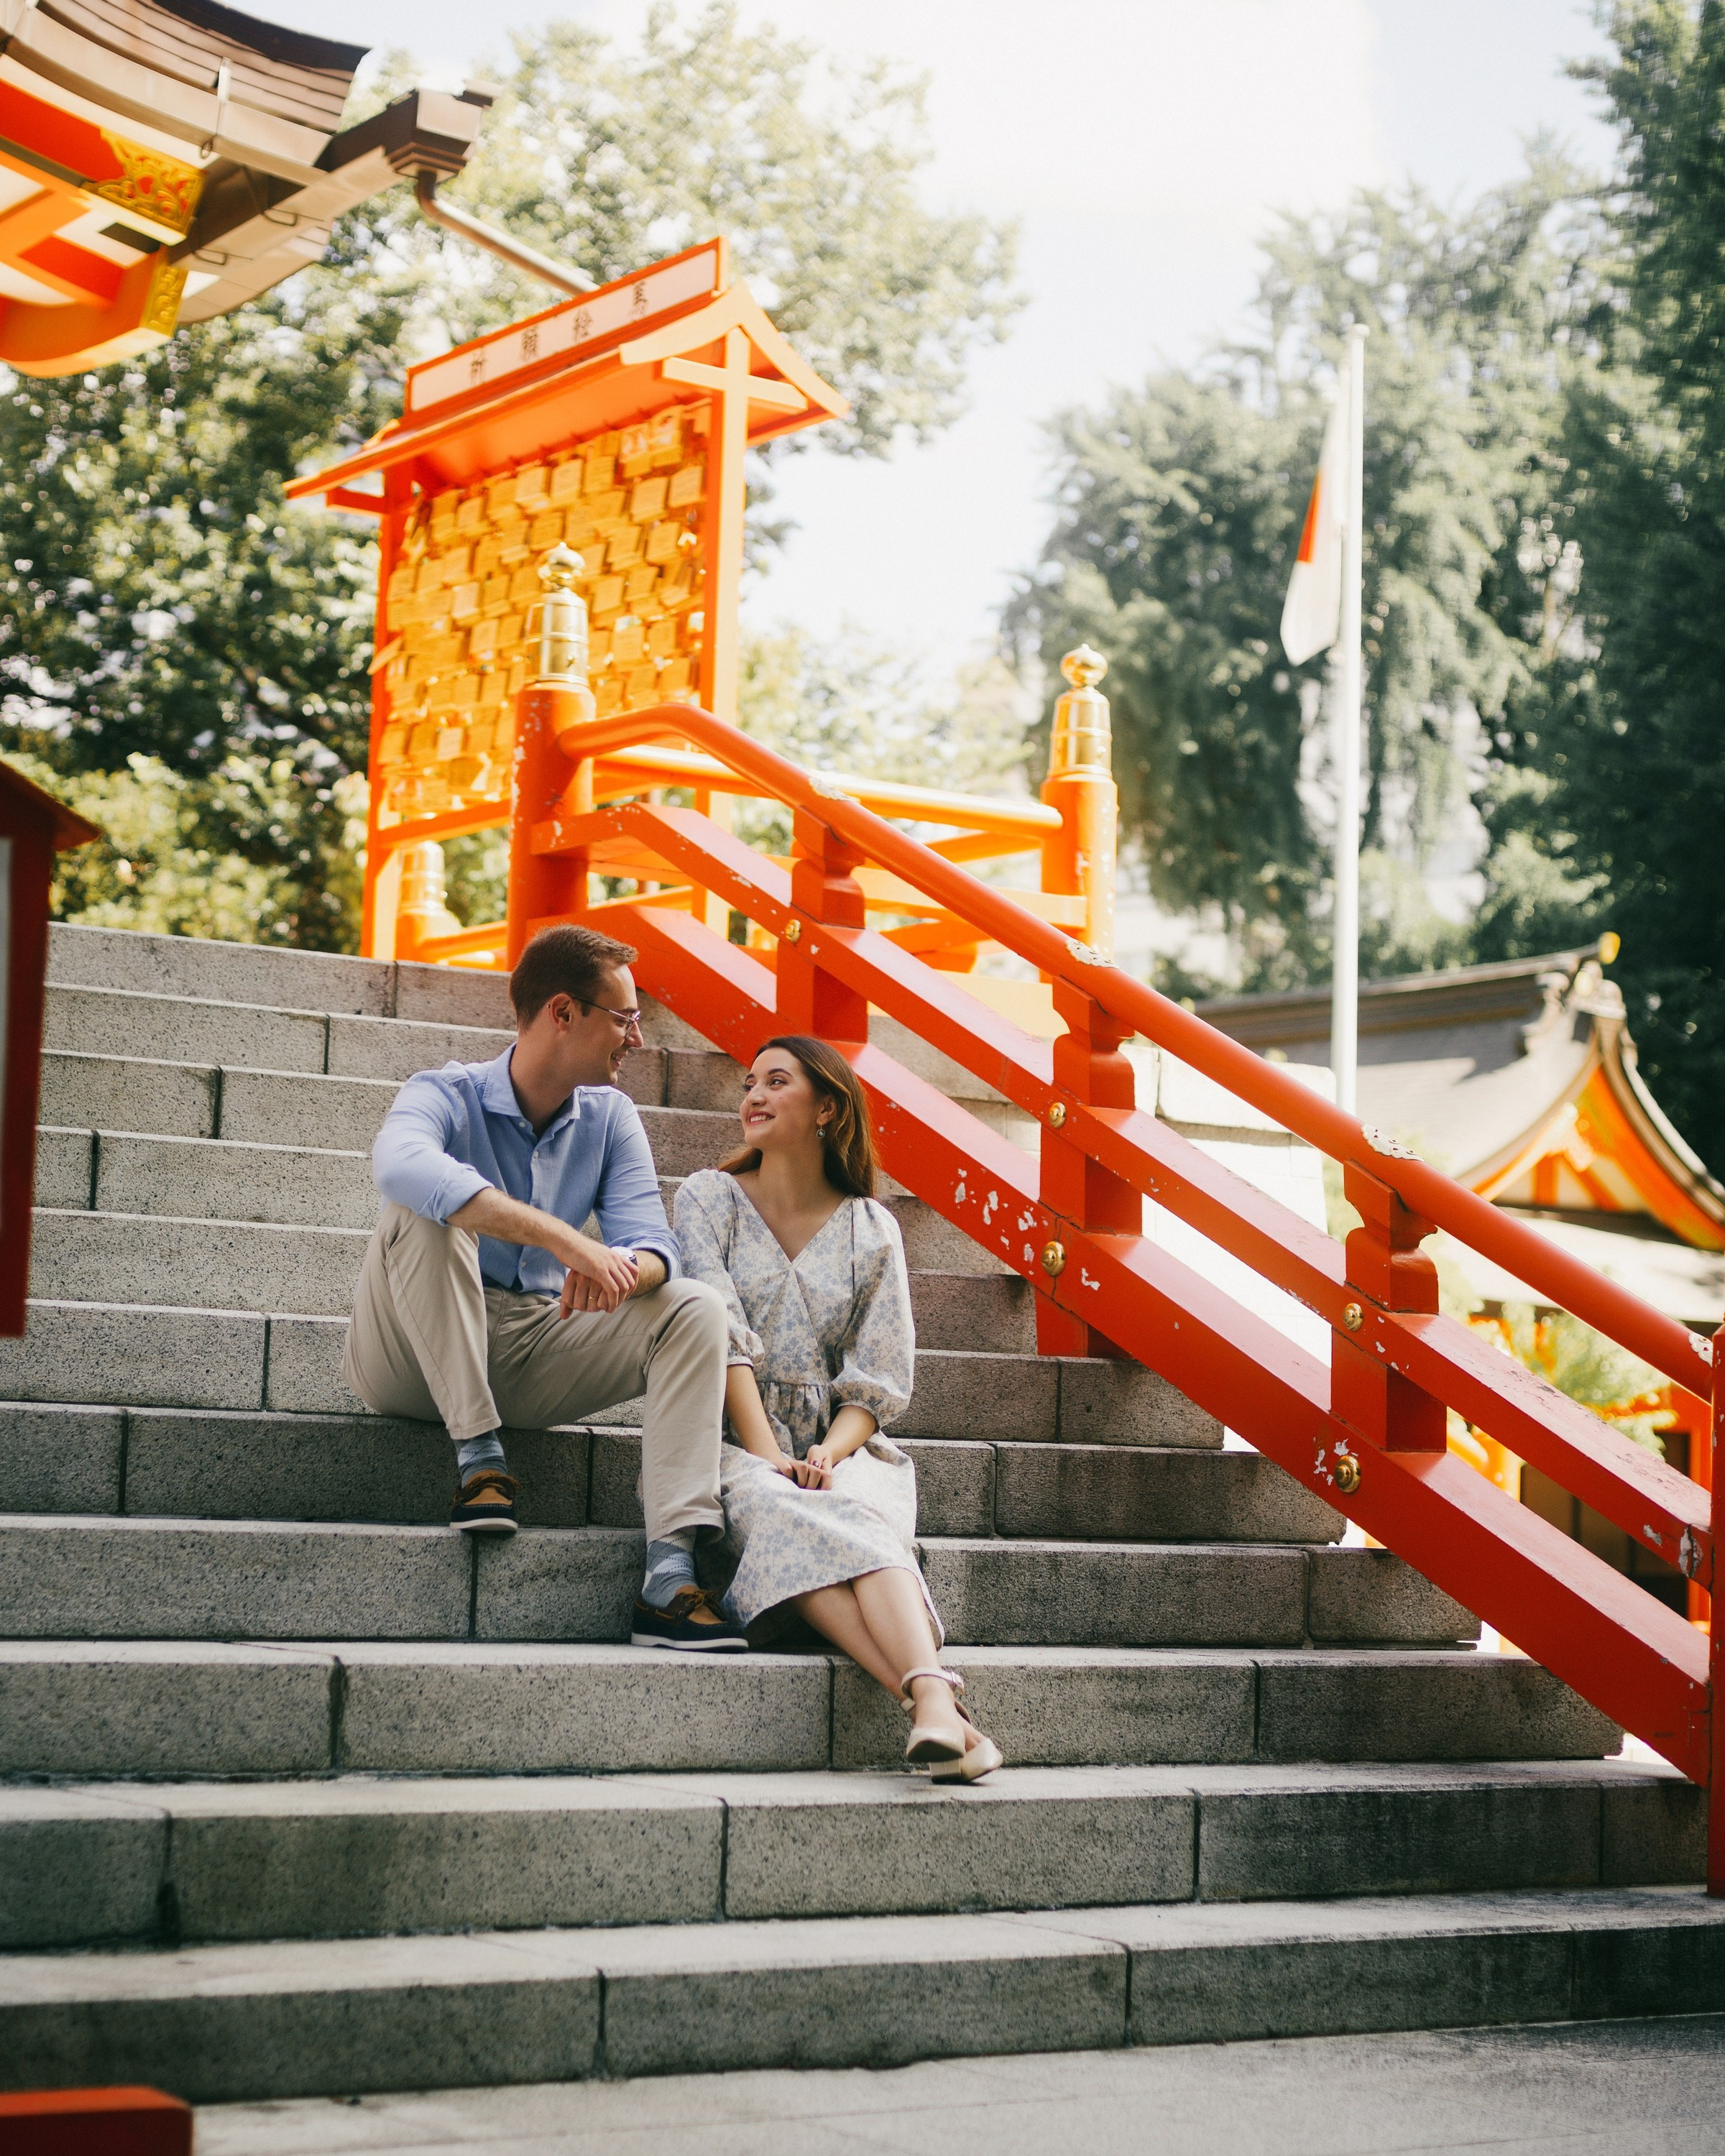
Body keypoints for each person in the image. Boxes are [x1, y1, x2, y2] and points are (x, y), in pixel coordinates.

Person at [343, 921, 745, 1651]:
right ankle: (479, 1461)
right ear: (564, 1012)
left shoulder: (611, 1117)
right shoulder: (444, 1092)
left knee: (696, 1308)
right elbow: (400, 1166)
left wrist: (622, 1273)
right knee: (426, 1207)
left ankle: (668, 1576)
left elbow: (656, 1245)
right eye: (624, 1019)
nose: (637, 1038)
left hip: (532, 1345)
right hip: (407, 1357)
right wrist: (565, 1240)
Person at [673, 1035, 1003, 1779]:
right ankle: (935, 1701)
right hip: (731, 1435)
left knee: (851, 1507)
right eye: (749, 1083)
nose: (753, 1096)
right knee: (782, 1507)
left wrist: (828, 1452)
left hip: (842, 1443)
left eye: (776, 1082)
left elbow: (877, 1377)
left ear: (827, 1107)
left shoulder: (871, 1227)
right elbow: (720, 1336)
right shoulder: (707, 1200)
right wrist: (771, 1457)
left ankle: (932, 1706)